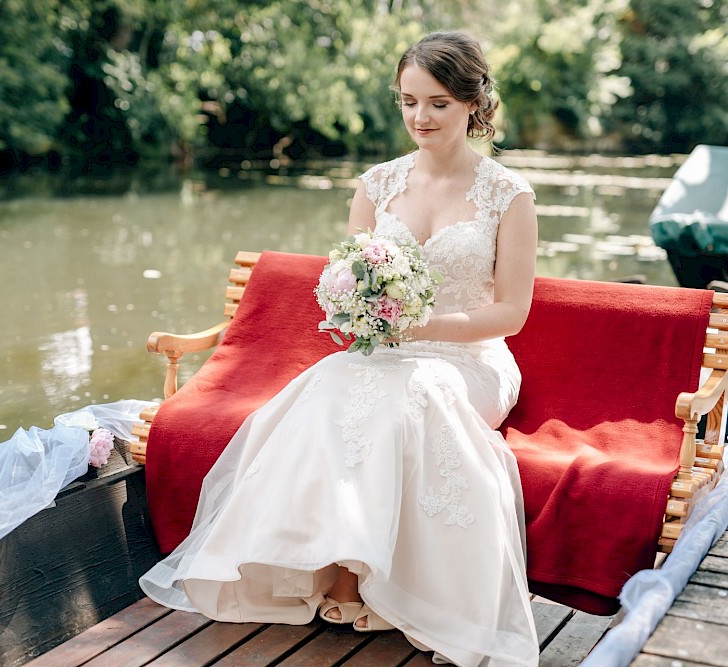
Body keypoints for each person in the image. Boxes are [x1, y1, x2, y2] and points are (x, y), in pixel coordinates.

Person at [140, 30, 540, 667]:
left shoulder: (508, 195)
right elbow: (350, 278)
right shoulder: (377, 186)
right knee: (331, 385)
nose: (420, 118)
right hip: (385, 352)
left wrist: (422, 328)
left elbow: (511, 314)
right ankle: (337, 571)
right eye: (408, 101)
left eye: (437, 103)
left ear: (472, 102)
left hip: (468, 360)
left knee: (416, 395)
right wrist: (363, 311)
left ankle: (386, 589)